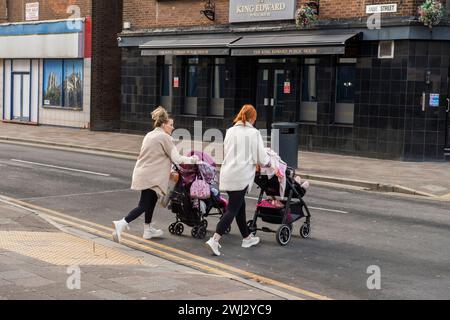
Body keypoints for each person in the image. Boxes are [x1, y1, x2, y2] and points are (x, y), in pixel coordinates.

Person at [112, 107, 198, 243]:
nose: (173, 127)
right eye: (171, 125)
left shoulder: (150, 134)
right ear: (164, 124)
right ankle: (122, 223)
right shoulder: (165, 137)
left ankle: (147, 230)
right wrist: (192, 160)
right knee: (144, 205)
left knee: (150, 202)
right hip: (151, 177)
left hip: (143, 173)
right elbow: (177, 158)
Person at [205, 104, 279, 256]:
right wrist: (272, 165)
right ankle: (215, 240)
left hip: (229, 173)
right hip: (241, 175)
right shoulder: (254, 133)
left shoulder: (230, 131)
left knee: (240, 207)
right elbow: (261, 157)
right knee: (232, 209)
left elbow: (227, 150)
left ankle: (246, 238)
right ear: (252, 118)